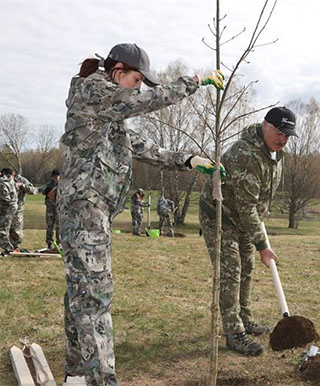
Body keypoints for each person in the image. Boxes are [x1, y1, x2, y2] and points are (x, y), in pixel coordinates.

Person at [58, 42, 225, 385]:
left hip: (89, 212)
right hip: (85, 211)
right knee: (95, 296)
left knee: (80, 293)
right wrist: (196, 81)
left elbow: (140, 147)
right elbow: (145, 101)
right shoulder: (94, 90)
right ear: (118, 72)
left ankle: (76, 374)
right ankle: (102, 380)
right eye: (136, 79)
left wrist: (188, 159)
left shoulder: (106, 114)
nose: (138, 87)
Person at [199, 106, 297, 356]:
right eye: (279, 132)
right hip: (221, 215)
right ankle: (234, 333)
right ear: (265, 125)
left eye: (287, 135)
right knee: (231, 269)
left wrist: (258, 236)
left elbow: (258, 201)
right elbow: (246, 206)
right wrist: (264, 246)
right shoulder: (246, 154)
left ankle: (245, 317)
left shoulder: (274, 154)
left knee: (247, 266)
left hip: (245, 217)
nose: (282, 139)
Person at [10, 172, 36, 251]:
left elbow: (33, 190)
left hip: (18, 207)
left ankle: (15, 246)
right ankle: (6, 245)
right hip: (6, 207)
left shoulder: (22, 180)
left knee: (16, 227)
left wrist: (22, 185)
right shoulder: (4, 179)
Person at [39, 169, 61, 250]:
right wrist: (48, 190)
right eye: (54, 176)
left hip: (59, 208)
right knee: (50, 226)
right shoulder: (49, 185)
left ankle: (59, 244)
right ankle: (49, 243)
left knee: (59, 226)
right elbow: (41, 190)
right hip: (50, 208)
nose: (56, 178)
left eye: (57, 176)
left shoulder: (62, 185)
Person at [0, 168, 18, 255]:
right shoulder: (12, 181)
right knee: (6, 228)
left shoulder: (3, 182)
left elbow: (5, 199)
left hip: (7, 207)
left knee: (3, 229)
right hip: (12, 206)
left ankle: (8, 248)